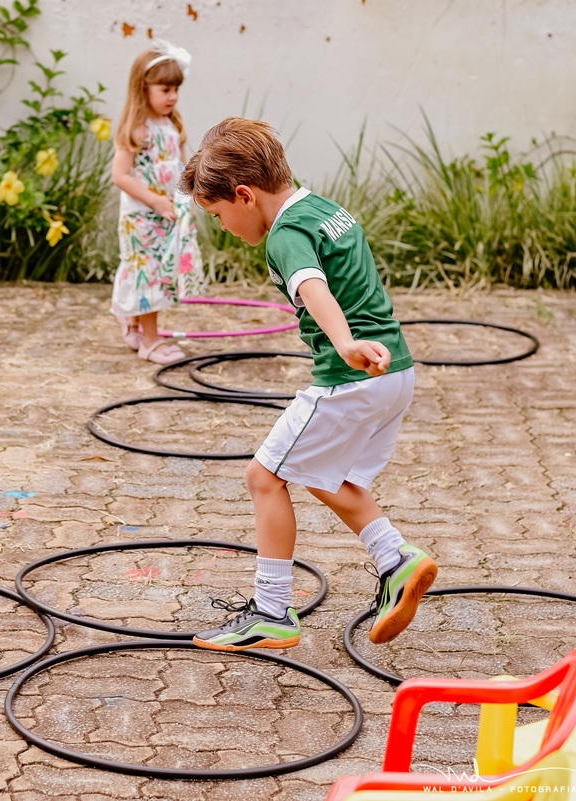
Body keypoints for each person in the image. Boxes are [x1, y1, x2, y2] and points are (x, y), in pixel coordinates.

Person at [179, 117, 437, 650]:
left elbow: (313, 287)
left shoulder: (286, 234)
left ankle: (272, 612)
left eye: (219, 214)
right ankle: (396, 561)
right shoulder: (323, 208)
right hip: (396, 373)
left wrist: (343, 344)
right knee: (323, 472)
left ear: (244, 195)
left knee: (264, 476)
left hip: (351, 376)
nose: (224, 226)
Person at [109, 40, 206, 364]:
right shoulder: (137, 128)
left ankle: (133, 321)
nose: (173, 96)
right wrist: (154, 201)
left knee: (163, 274)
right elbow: (120, 175)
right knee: (148, 275)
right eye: (165, 89)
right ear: (144, 88)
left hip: (169, 214)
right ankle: (151, 341)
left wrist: (187, 197)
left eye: (176, 89)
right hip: (143, 218)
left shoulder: (172, 124)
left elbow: (181, 165)